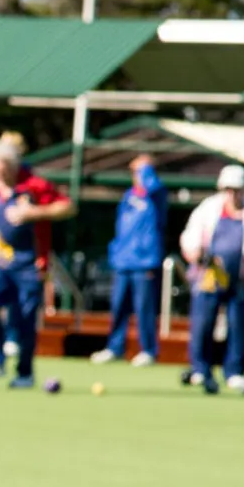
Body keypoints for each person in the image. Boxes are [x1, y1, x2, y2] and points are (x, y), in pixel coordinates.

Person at [0, 138, 74, 387]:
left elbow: (67, 207)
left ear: (14, 168)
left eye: (3, 172)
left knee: (24, 317)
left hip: (29, 262)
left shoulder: (35, 184)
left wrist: (34, 213)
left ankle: (25, 373)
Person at [178, 164, 244, 395]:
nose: (233, 194)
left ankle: (234, 373)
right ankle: (200, 369)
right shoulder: (208, 209)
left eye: (237, 189)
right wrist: (194, 252)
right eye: (229, 189)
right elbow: (191, 235)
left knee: (239, 326)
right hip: (210, 276)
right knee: (203, 323)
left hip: (243, 279)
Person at [92, 154, 168, 367]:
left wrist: (145, 167)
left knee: (144, 308)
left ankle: (148, 350)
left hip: (145, 262)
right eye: (134, 172)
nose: (136, 176)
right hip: (123, 261)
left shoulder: (156, 196)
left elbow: (152, 185)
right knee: (118, 306)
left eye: (140, 172)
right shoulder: (128, 196)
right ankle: (115, 347)